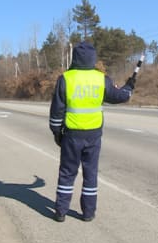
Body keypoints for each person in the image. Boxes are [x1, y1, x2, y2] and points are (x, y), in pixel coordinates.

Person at [49, 41, 135, 222]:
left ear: (75, 58)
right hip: (94, 135)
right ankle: (88, 213)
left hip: (72, 135)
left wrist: (57, 133)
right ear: (93, 59)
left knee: (67, 173)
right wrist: (129, 86)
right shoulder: (101, 79)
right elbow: (119, 96)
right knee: (90, 174)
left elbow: (56, 111)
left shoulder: (66, 78)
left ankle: (60, 211)